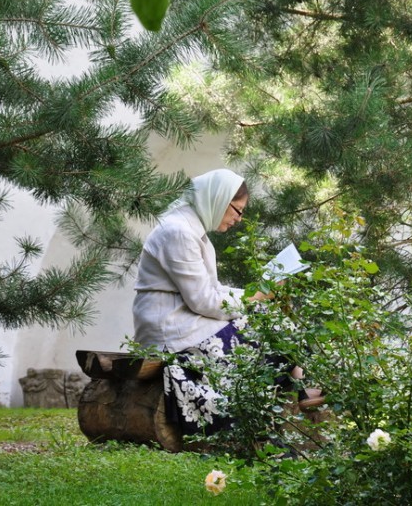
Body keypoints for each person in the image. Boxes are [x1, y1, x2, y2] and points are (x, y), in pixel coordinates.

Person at [132, 168, 323, 436]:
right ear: (219, 199)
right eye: (238, 210)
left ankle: (301, 387)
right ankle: (302, 387)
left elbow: (212, 290)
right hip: (172, 330)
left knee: (264, 317)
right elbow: (204, 300)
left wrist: (256, 292)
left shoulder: (191, 230)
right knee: (266, 324)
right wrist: (256, 295)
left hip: (186, 321)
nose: (239, 219)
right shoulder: (178, 232)